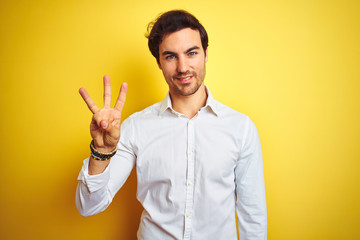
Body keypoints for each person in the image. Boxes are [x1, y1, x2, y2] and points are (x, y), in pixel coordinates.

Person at [76, 10, 267, 240]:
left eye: (191, 53)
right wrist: (102, 152)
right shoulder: (136, 127)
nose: (183, 67)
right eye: (170, 56)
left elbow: (253, 216)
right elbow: (88, 206)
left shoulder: (241, 128)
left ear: (205, 54)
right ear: (158, 62)